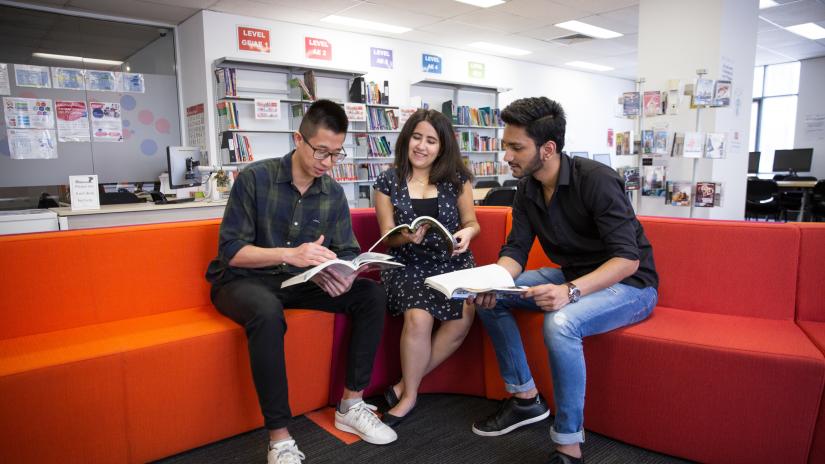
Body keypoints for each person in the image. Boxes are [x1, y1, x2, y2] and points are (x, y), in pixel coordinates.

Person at [469, 97, 659, 464]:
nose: (506, 156)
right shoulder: (526, 188)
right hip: (575, 275)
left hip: (632, 287)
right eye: (506, 145)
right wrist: (493, 279)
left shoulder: (597, 180)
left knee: (561, 322)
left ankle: (569, 445)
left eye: (516, 147)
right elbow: (516, 249)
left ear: (549, 148)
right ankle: (525, 399)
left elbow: (628, 259)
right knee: (492, 298)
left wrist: (569, 292)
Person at [206, 100, 397, 464]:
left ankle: (352, 404)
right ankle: (279, 437)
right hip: (244, 280)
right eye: (320, 151)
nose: (326, 162)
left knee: (370, 293)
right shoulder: (255, 178)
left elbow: (345, 250)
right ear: (298, 139)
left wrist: (339, 273)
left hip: (299, 281)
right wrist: (288, 254)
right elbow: (231, 251)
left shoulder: (333, 193)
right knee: (266, 312)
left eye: (335, 154)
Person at [373, 109, 480, 426]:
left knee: (463, 319)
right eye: (417, 137)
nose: (422, 146)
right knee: (418, 317)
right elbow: (386, 236)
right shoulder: (387, 181)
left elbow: (471, 222)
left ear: (442, 146)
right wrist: (404, 236)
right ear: (407, 139)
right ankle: (408, 398)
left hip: (451, 260)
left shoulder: (457, 180)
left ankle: (405, 384)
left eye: (431, 140)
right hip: (407, 262)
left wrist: (468, 233)